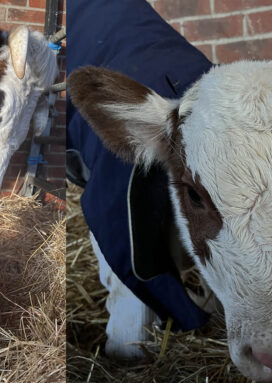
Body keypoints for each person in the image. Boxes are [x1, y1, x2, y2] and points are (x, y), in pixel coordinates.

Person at [67, 0, 212, 359]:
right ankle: (207, 314)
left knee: (127, 233)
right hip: (200, 100)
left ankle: (130, 348)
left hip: (140, 132)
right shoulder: (116, 13)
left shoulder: (67, 20)